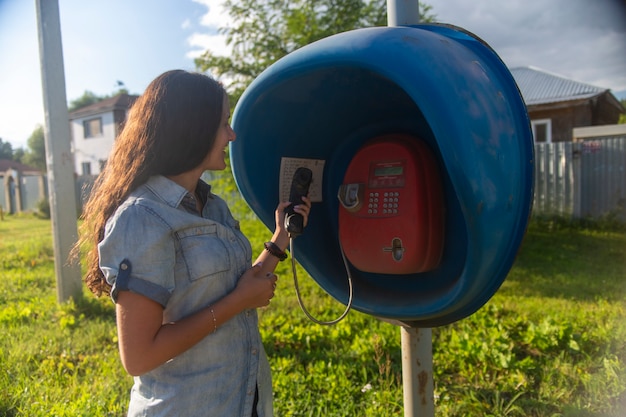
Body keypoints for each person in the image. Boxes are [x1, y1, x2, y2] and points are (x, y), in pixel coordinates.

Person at [75, 69, 311, 416]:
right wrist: (238, 302)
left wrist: (281, 236)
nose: (231, 134)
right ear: (191, 128)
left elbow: (236, 287)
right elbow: (139, 357)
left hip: (242, 399)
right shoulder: (142, 216)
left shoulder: (212, 205)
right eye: (223, 124)